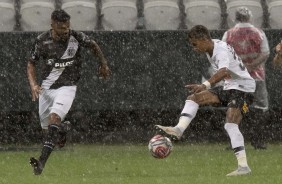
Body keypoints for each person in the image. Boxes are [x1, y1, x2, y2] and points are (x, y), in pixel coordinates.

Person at [156, 25, 255, 176]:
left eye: (195, 44)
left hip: (244, 88)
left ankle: (243, 166)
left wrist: (204, 85)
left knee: (230, 124)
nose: (194, 48)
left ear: (203, 39)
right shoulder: (213, 47)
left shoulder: (219, 50)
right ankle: (178, 130)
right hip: (230, 87)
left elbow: (224, 71)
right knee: (194, 98)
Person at [27, 9, 111, 175]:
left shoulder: (76, 37)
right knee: (48, 133)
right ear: (52, 26)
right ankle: (63, 129)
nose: (65, 32)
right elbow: (31, 64)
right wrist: (34, 85)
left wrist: (103, 65)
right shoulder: (41, 41)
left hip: (67, 87)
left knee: (54, 119)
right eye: (61, 29)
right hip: (46, 89)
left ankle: (41, 163)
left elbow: (93, 45)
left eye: (67, 28)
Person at [222, 7, 270, 149]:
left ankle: (233, 142)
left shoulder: (229, 34)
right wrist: (251, 67)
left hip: (236, 79)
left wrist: (239, 69)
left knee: (235, 107)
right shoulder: (258, 33)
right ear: (249, 18)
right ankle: (258, 141)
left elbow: (224, 55)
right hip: (256, 78)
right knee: (260, 108)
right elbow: (265, 53)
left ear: (235, 18)